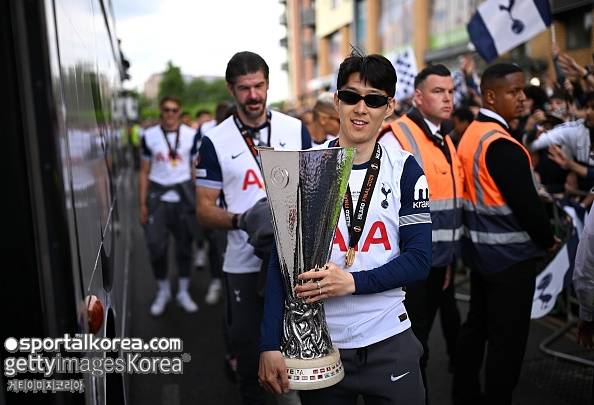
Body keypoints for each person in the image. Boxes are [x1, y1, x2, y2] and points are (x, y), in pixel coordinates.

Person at [258, 52, 432, 404]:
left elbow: (419, 260)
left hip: (388, 337)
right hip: (320, 345)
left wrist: (352, 282)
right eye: (352, 96)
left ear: (390, 107)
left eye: (374, 100)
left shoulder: (406, 169)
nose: (361, 109)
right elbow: (281, 263)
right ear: (337, 100)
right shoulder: (304, 168)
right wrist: (269, 343)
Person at [195, 51, 312, 405]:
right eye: (245, 88)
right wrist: (242, 220)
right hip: (243, 264)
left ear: (268, 84)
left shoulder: (295, 129)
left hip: (293, 261)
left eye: (259, 86)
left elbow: (313, 188)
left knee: (299, 356)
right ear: (231, 89)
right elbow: (203, 210)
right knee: (249, 364)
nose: (253, 95)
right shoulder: (214, 140)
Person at [452, 63, 559, 405]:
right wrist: (548, 240)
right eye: (513, 91)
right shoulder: (500, 143)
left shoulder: (472, 133)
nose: (522, 98)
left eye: (523, 90)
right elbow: (528, 209)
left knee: (477, 329)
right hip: (510, 259)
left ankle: (465, 394)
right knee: (507, 344)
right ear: (490, 96)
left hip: (481, 254)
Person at [379, 64, 463, 402]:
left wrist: (448, 259)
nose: (447, 98)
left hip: (439, 261)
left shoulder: (444, 137)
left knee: (422, 345)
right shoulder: (396, 136)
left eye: (451, 91)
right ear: (417, 96)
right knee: (414, 350)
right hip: (410, 265)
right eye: (438, 91)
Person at [139, 95, 200, 316]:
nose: (170, 114)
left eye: (174, 110)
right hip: (158, 198)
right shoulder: (149, 135)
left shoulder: (192, 135)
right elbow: (144, 171)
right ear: (161, 111)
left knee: (185, 246)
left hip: (184, 198)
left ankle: (183, 292)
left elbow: (195, 169)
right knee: (156, 246)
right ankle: (163, 291)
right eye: (166, 110)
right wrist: (142, 204)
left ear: (180, 111)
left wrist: (200, 200)